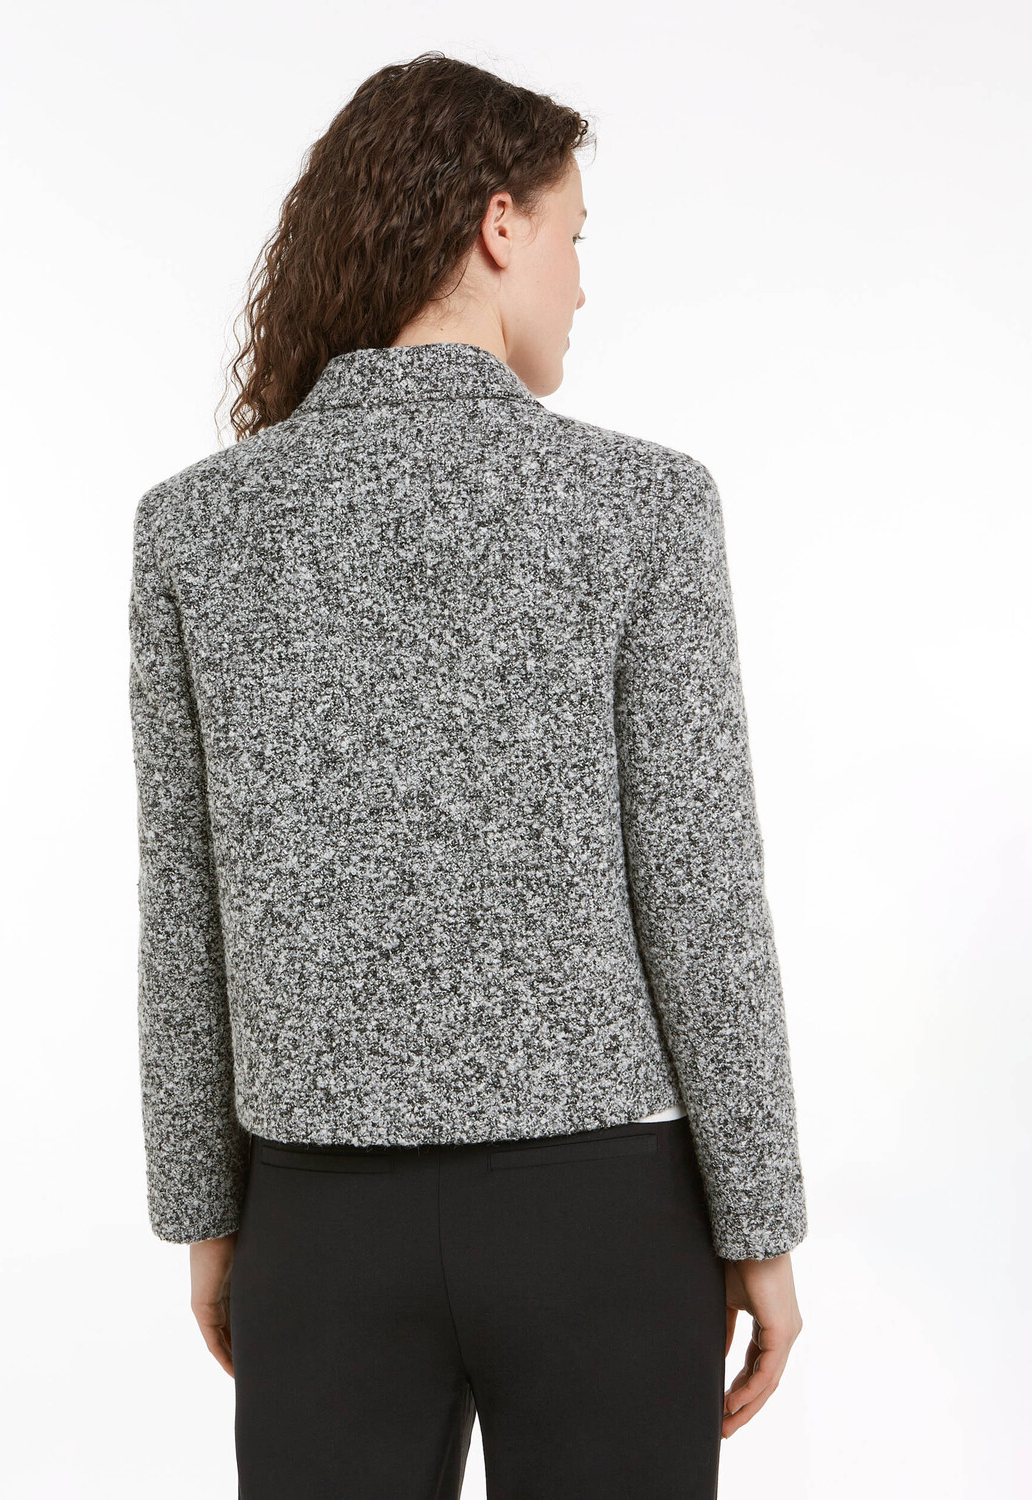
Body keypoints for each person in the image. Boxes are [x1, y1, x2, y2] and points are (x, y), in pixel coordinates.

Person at [127, 51, 807, 1500]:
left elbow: (183, 906)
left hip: (316, 1220)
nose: (581, 283)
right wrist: (758, 1222)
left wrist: (207, 1213)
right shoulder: (642, 504)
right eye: (574, 236)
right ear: (500, 225)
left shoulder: (197, 527)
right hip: (605, 1222)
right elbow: (700, 891)